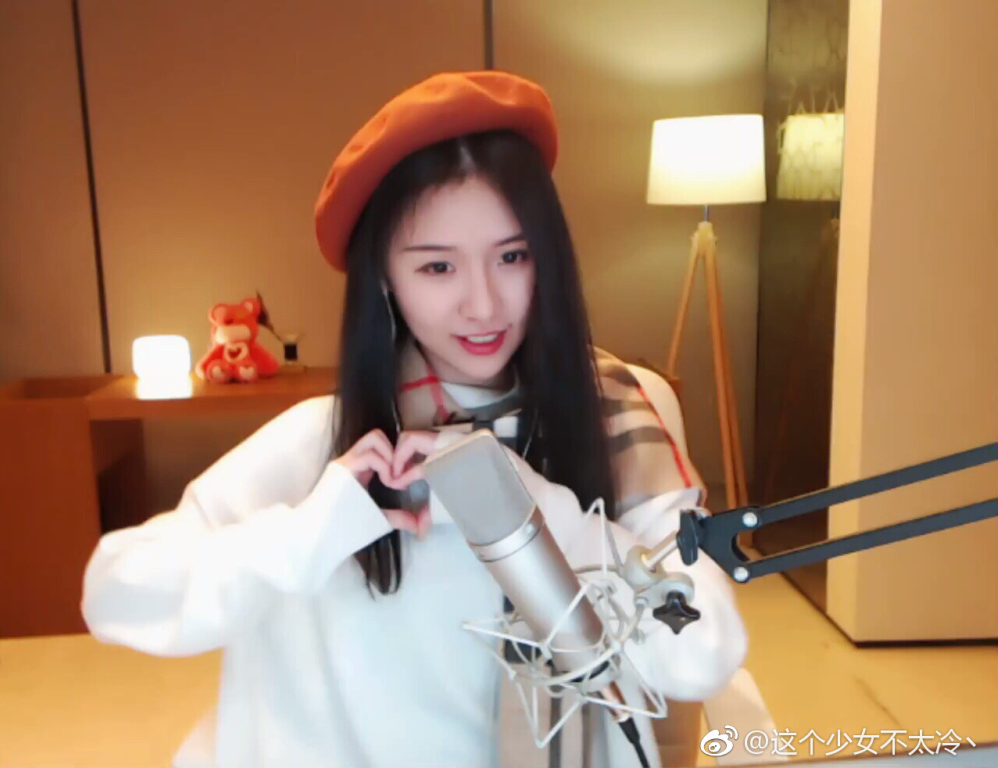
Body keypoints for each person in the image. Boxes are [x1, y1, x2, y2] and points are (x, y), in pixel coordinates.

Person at [81, 70, 748, 768]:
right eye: (437, 268)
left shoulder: (612, 421)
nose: (483, 305)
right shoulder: (328, 445)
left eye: (513, 256)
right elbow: (116, 594)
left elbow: (702, 650)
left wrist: (540, 519)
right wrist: (311, 534)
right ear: (384, 277)